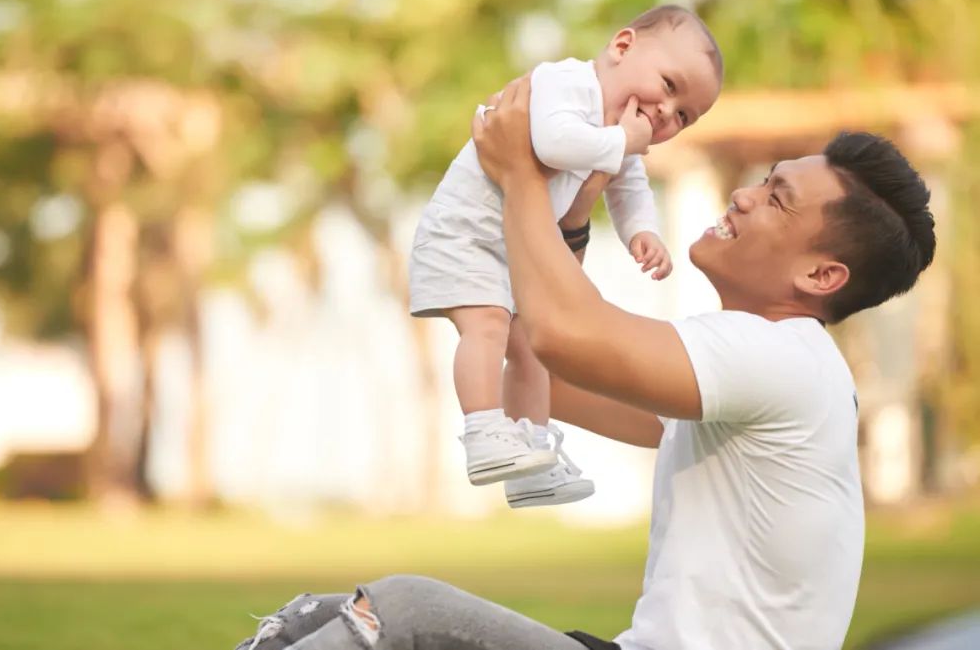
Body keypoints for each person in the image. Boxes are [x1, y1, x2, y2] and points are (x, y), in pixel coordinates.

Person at [233, 75, 937, 650]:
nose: (744, 195)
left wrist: (520, 177)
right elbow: (546, 364)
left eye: (777, 201)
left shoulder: (781, 359)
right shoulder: (761, 373)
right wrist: (567, 212)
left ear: (821, 276)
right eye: (765, 180)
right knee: (313, 620)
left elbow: (565, 334)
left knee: (403, 611)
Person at [409, 5, 722, 507]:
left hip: (507, 250)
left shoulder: (621, 135)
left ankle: (530, 452)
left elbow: (630, 185)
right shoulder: (567, 83)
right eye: (669, 85)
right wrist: (622, 142)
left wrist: (642, 230)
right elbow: (554, 142)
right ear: (622, 48)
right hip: (464, 237)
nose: (667, 112)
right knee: (487, 325)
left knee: (532, 347)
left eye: (684, 114)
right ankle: (483, 431)